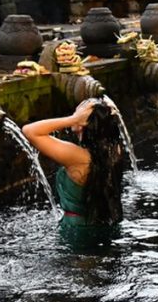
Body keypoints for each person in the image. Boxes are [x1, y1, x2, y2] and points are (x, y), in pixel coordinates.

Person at [23, 99, 126, 235]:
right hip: (104, 224)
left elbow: (29, 131)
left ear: (85, 122)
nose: (78, 109)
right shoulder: (114, 150)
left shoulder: (78, 157)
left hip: (77, 232)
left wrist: (72, 119)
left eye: (82, 111)